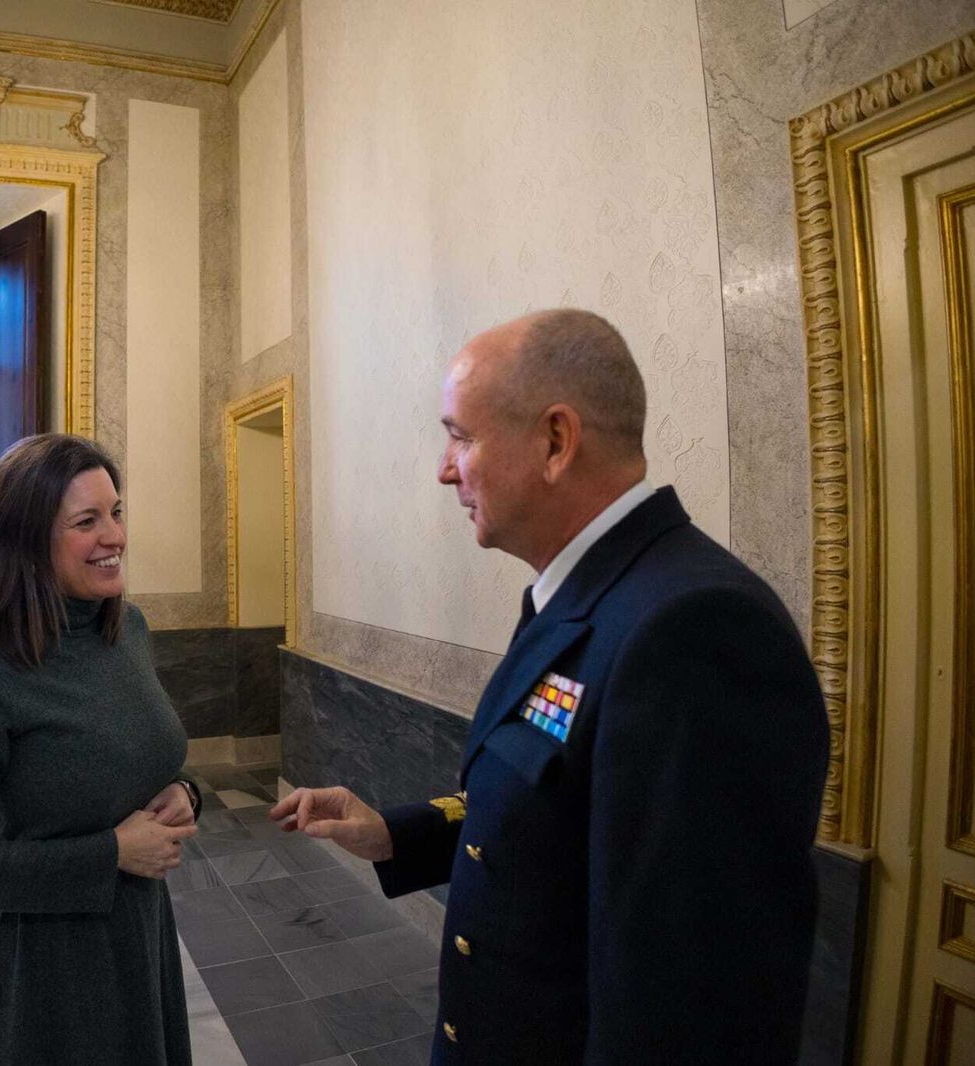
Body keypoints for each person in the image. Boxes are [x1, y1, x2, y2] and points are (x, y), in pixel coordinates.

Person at [271, 310, 828, 1064]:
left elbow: (691, 1003)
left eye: (461, 436)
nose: (444, 468)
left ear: (556, 442)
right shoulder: (585, 595)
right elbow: (557, 815)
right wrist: (393, 834)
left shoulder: (693, 628)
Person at [0, 433, 201, 1065]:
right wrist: (112, 853)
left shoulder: (127, 629)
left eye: (117, 512)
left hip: (135, 940)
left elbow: (142, 754)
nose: (115, 536)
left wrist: (185, 793)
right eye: (87, 521)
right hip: (37, 972)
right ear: (27, 540)